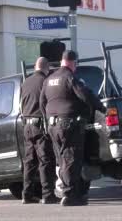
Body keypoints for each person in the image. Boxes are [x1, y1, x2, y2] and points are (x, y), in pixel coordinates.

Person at [40, 51, 106, 206]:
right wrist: (101, 108)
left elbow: (42, 103)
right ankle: (70, 195)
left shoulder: (49, 79)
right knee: (71, 159)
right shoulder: (70, 77)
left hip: (52, 125)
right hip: (68, 124)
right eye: (76, 64)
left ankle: (68, 191)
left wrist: (48, 120)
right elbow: (85, 95)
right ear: (72, 62)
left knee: (62, 160)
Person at [20, 57, 60, 205]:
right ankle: (48, 195)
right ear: (47, 68)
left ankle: (27, 195)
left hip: (27, 125)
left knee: (30, 162)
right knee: (46, 160)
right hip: (39, 125)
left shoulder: (26, 82)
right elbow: (47, 103)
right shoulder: (45, 81)